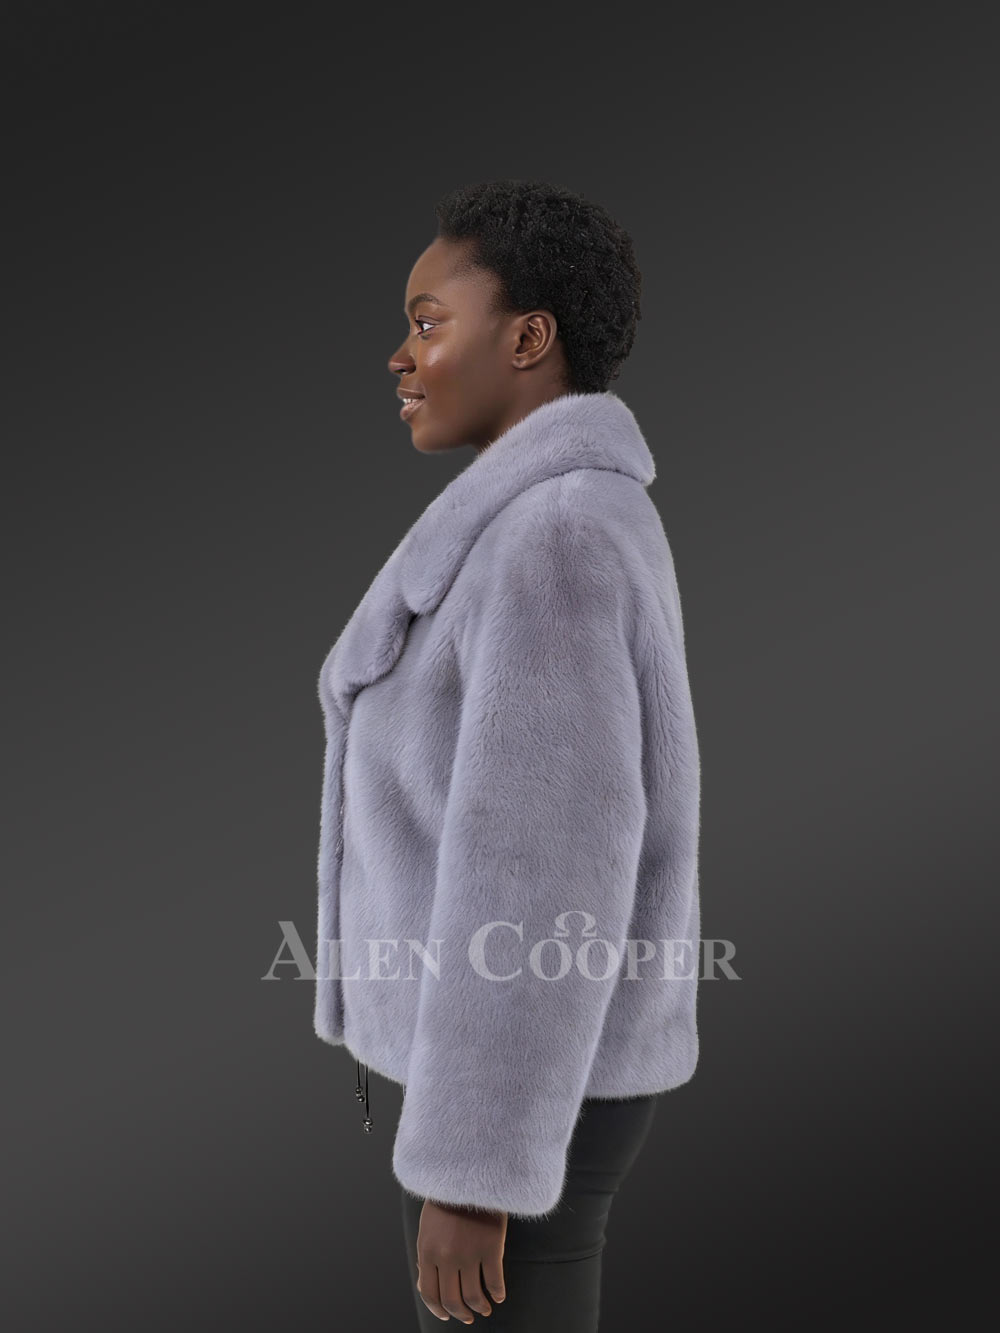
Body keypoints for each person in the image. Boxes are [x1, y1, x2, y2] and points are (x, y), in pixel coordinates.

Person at [313, 179, 702, 1330]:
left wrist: (473, 1171)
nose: (400, 356)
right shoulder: (540, 520)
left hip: (520, 1098)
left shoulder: (553, 539)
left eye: (428, 321)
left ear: (528, 339)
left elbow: (540, 873)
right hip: (511, 1077)